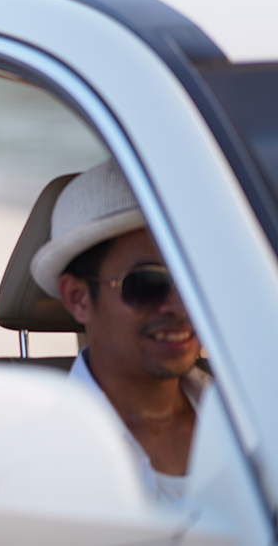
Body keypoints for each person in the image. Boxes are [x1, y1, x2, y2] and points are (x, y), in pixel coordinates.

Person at [29, 160, 209, 504]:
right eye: (147, 284)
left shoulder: (254, 417)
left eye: (193, 281)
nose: (182, 308)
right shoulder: (39, 455)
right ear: (77, 298)